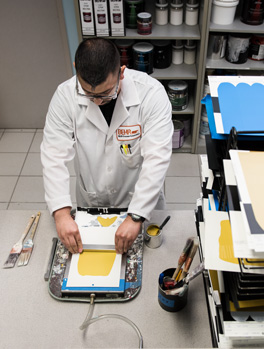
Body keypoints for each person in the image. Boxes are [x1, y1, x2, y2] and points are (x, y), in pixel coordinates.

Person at [41, 38, 173, 255]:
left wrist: (136, 215)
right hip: (92, 198)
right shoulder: (64, 96)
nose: (96, 102)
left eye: (105, 93)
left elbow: (157, 158)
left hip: (138, 197)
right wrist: (61, 213)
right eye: (87, 93)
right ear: (76, 70)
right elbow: (53, 156)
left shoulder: (151, 94)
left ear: (121, 72)